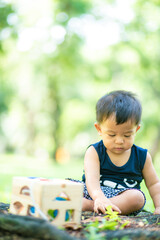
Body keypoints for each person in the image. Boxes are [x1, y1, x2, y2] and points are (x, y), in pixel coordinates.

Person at [82, 90, 160, 215]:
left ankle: (90, 206)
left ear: (136, 130)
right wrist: (98, 197)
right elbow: (92, 180)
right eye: (112, 135)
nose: (119, 141)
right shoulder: (94, 151)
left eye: (127, 135)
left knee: (137, 197)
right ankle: (96, 204)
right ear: (99, 129)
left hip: (122, 198)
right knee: (68, 187)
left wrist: (159, 206)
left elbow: (154, 184)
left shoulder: (142, 156)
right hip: (94, 192)